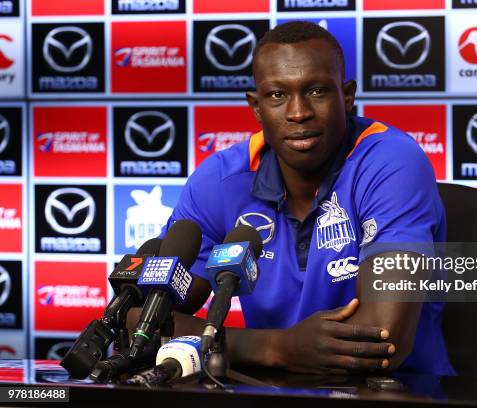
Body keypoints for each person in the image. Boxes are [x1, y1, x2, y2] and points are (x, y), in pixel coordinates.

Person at [144, 21, 454, 376]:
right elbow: (139, 323)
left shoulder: (392, 163)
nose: (298, 112)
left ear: (348, 95)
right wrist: (278, 347)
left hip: (398, 394)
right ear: (256, 106)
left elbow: (382, 341)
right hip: (265, 390)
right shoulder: (220, 181)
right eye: (277, 95)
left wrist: (228, 344)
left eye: (318, 91)